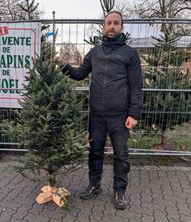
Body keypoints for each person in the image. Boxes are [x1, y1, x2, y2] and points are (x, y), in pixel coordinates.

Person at [60, 11, 143, 210]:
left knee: (121, 155)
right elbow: (80, 74)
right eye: (109, 23)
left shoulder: (130, 54)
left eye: (116, 23)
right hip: (96, 115)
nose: (112, 26)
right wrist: (64, 68)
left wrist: (134, 114)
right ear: (104, 27)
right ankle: (94, 185)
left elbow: (136, 86)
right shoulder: (94, 53)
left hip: (119, 116)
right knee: (95, 152)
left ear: (121, 27)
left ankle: (119, 191)